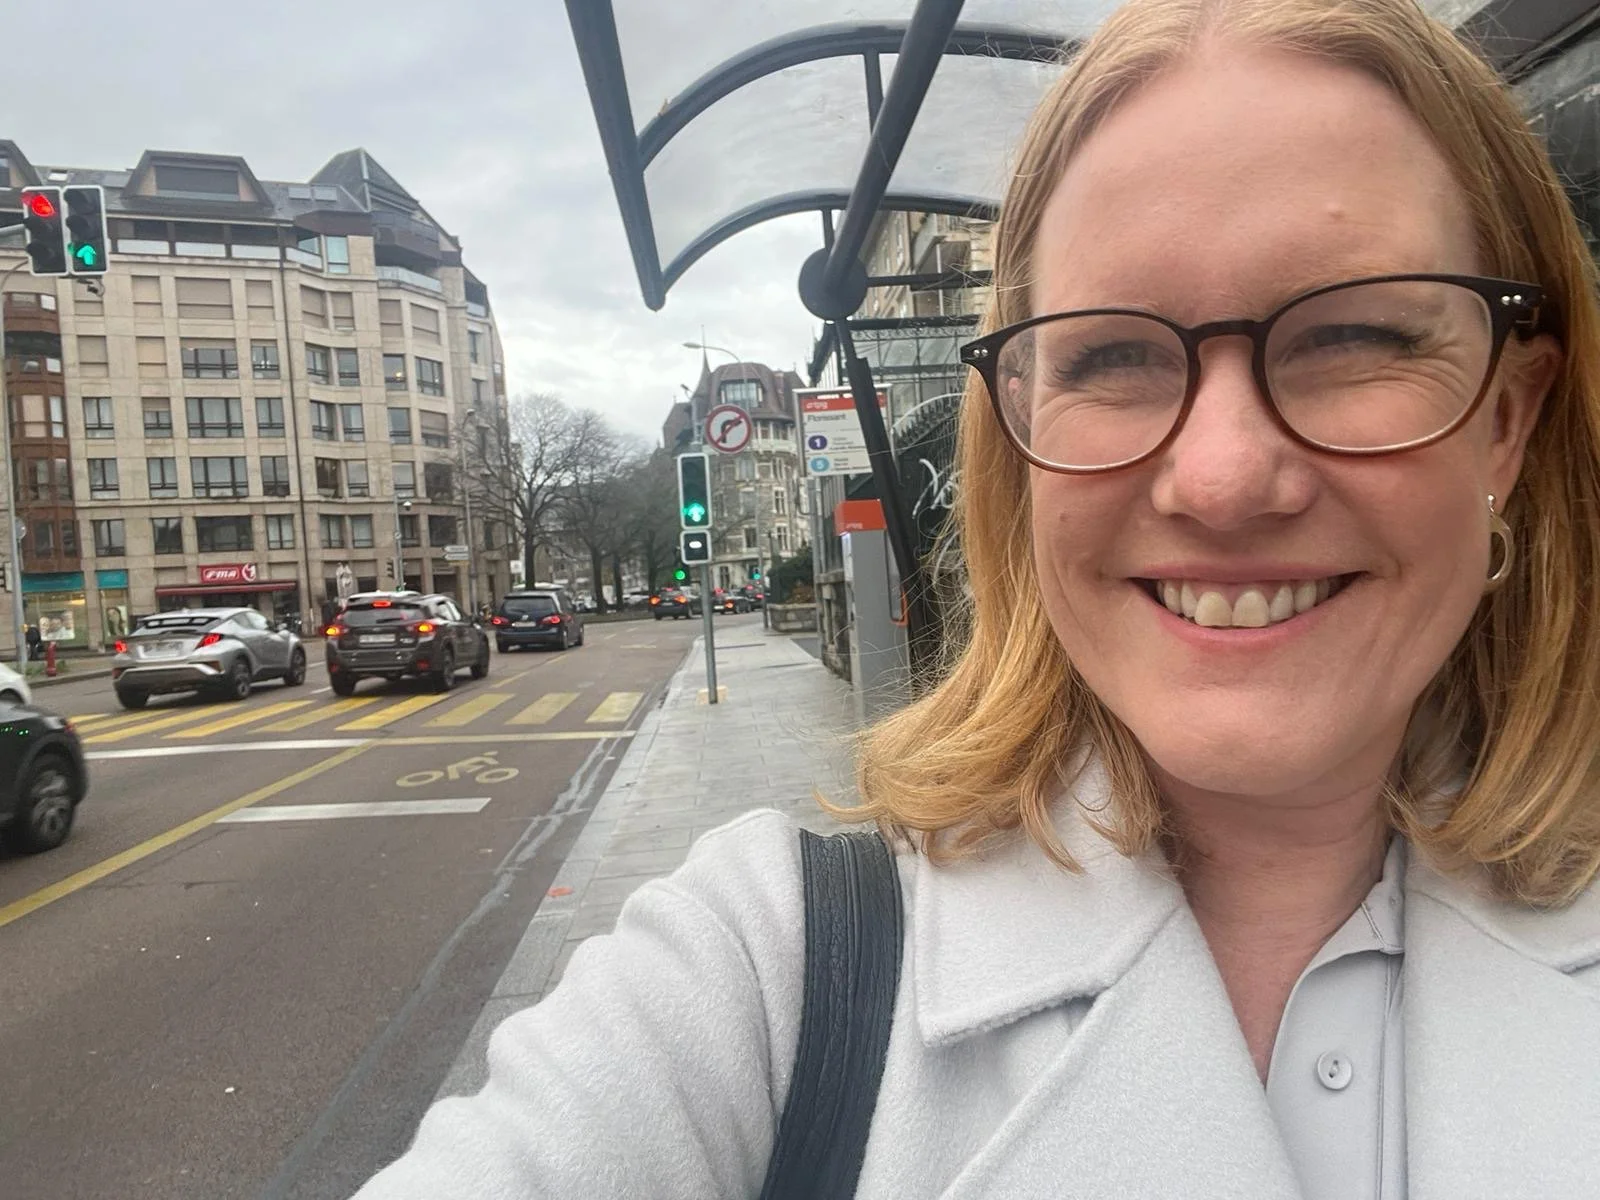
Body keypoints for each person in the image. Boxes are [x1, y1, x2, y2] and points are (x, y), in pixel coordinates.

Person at [354, 0, 1600, 1195]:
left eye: (1352, 339)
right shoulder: (769, 979)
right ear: (1016, 432)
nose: (1222, 477)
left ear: (1506, 417)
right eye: (1113, 355)